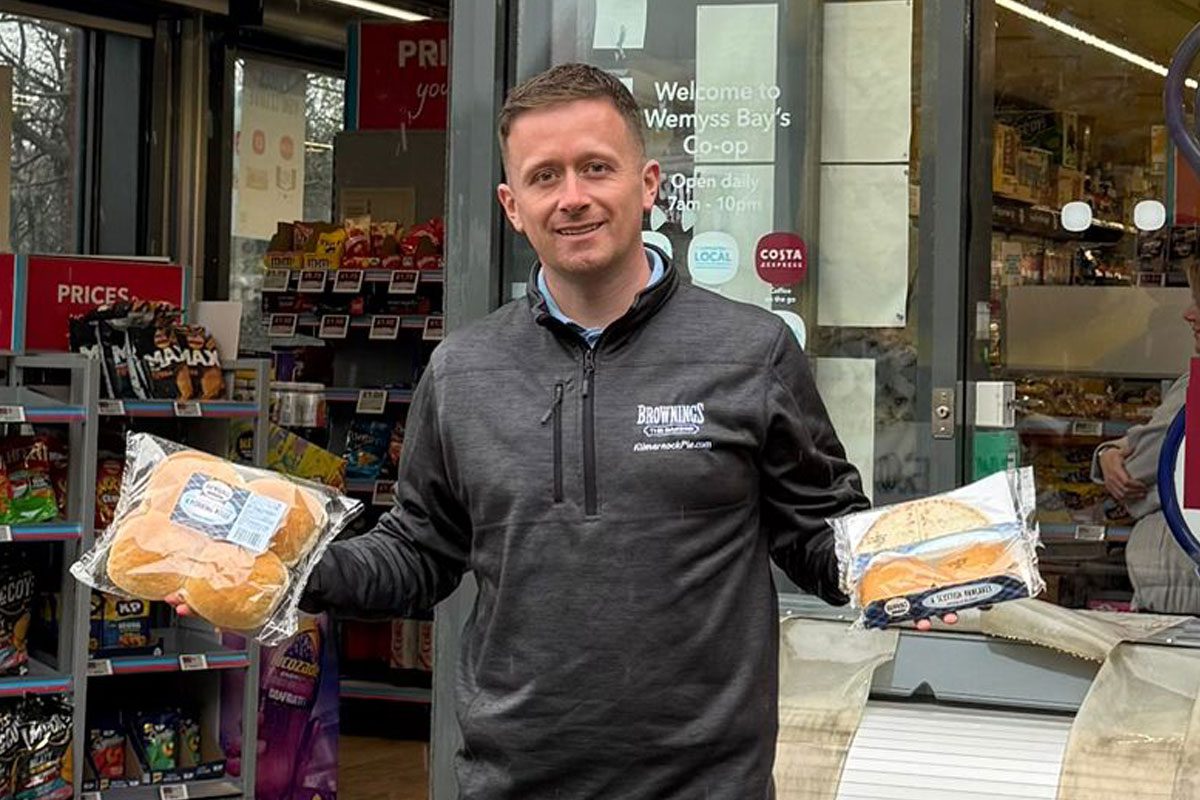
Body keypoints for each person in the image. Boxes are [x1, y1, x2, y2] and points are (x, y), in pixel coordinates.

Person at [175, 63, 948, 797]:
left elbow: (820, 535)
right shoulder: (462, 370)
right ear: (513, 206)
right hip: (513, 782)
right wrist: (284, 570)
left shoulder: (751, 352)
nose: (572, 196)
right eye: (545, 176)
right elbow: (418, 555)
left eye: (596, 168)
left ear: (648, 186)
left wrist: (923, 569)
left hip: (706, 786)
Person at [1094, 262, 1200, 615]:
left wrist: (1114, 451)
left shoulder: (1196, 389)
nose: (1188, 314)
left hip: (1179, 588)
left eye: (1199, 303)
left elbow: (1140, 471)